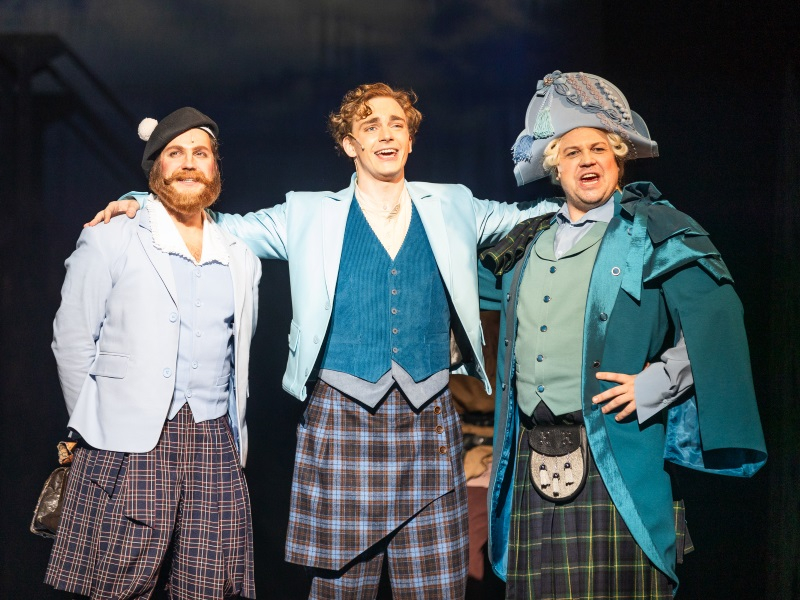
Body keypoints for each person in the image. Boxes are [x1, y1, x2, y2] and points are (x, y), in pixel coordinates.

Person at [90, 83, 560, 598]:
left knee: (437, 587)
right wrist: (143, 202)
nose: (386, 135)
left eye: (396, 125)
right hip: (341, 417)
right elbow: (224, 228)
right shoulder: (308, 213)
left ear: (410, 140)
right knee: (340, 589)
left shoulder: (453, 204)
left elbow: (533, 219)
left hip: (429, 419)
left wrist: (603, 198)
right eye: (370, 126)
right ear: (349, 144)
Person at [479, 70, 767, 599]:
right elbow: (461, 290)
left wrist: (658, 381)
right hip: (531, 456)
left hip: (615, 455)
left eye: (598, 149)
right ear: (555, 167)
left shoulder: (653, 230)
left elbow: (717, 317)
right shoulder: (526, 241)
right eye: (572, 152)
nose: (587, 161)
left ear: (618, 158)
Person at [45, 107, 261, 599]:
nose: (189, 163)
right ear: (155, 167)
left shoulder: (238, 253)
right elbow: (72, 339)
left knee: (209, 589)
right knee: (117, 586)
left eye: (200, 153)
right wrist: (96, 427)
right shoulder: (111, 235)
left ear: (215, 167)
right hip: (128, 443)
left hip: (215, 441)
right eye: (175, 153)